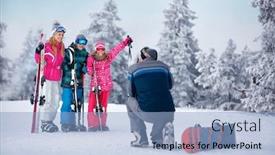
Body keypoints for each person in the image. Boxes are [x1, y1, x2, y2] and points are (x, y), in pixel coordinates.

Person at [126, 47, 175, 147]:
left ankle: (141, 138)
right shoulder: (164, 67)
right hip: (169, 113)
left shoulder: (133, 69)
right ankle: (159, 136)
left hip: (148, 112)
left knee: (129, 101)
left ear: (143, 56)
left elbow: (130, 93)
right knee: (162, 103)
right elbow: (170, 85)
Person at [86, 36, 133, 131]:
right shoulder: (92, 58)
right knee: (92, 105)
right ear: (96, 50)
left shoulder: (108, 57)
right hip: (95, 86)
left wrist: (125, 42)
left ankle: (102, 124)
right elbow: (89, 69)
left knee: (103, 106)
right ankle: (92, 124)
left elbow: (116, 49)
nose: (100, 51)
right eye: (98, 49)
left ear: (104, 50)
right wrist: (90, 70)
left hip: (105, 86)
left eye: (102, 49)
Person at [34, 23, 66, 132]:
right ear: (53, 34)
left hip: (57, 78)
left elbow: (63, 62)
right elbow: (39, 61)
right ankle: (44, 122)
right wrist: (38, 51)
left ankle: (49, 121)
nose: (60, 37)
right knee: (48, 100)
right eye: (58, 34)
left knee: (56, 102)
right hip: (47, 77)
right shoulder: (46, 46)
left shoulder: (62, 47)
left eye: (62, 35)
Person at [60, 34, 89, 132]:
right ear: (76, 42)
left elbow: (87, 65)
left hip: (79, 82)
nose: (82, 45)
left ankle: (73, 123)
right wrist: (71, 70)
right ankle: (65, 123)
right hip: (68, 82)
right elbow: (63, 64)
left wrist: (85, 69)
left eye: (84, 42)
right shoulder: (69, 51)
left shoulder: (85, 53)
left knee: (77, 103)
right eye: (80, 42)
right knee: (67, 102)